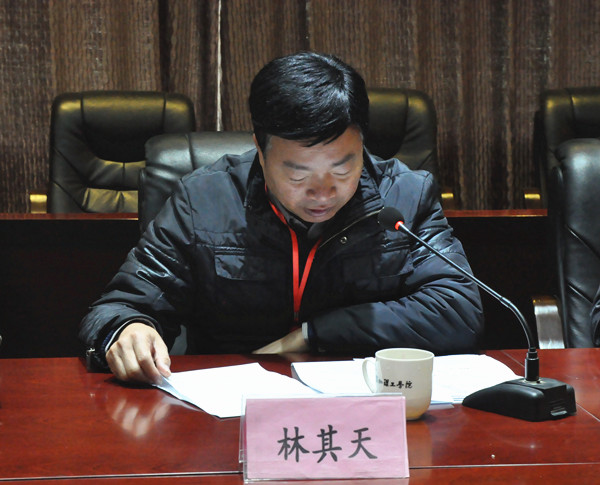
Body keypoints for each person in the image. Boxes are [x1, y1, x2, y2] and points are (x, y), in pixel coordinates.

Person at [80, 51, 484, 385]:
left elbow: (459, 309)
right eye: (297, 174)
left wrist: (317, 334)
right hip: (231, 411)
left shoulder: (405, 196)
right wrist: (128, 329)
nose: (322, 192)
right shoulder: (204, 200)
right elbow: (120, 306)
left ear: (362, 144)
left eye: (343, 168)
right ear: (260, 150)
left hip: (367, 407)